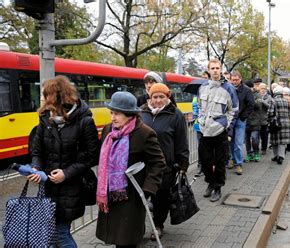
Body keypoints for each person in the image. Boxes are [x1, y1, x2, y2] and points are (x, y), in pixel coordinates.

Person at [28, 75, 100, 248]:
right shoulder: (45, 118)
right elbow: (37, 150)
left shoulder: (84, 121)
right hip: (49, 186)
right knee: (52, 234)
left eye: (45, 95)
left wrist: (66, 174)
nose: (42, 99)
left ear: (57, 98)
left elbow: (91, 156)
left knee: (60, 233)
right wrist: (36, 167)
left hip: (71, 186)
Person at [95, 91, 167, 247]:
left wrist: (147, 190)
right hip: (111, 194)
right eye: (111, 113)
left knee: (127, 240)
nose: (112, 117)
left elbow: (158, 163)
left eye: (117, 114)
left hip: (132, 197)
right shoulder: (109, 130)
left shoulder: (144, 133)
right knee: (116, 237)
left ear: (129, 115)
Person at [140, 83, 189, 240]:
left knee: (161, 199)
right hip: (143, 165)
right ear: (150, 98)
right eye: (155, 97)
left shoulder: (176, 115)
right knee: (140, 198)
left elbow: (182, 141)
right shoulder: (142, 113)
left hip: (165, 166)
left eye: (162, 96)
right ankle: (137, 228)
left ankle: (158, 225)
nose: (158, 100)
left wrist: (183, 164)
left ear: (168, 97)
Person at [197, 58, 238, 202]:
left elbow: (234, 110)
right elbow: (200, 107)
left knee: (220, 161)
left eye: (217, 68)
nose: (215, 70)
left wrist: (227, 127)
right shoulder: (202, 87)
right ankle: (210, 183)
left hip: (220, 130)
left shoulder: (229, 88)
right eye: (212, 68)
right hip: (205, 130)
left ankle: (218, 187)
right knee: (205, 159)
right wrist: (201, 121)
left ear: (220, 69)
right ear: (208, 70)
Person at [228, 71, 254, 175]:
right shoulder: (228, 88)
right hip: (230, 119)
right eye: (232, 80)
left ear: (240, 79)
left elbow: (251, 104)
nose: (234, 82)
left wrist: (243, 117)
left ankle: (238, 163)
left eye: (236, 80)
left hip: (239, 119)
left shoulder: (246, 90)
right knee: (230, 141)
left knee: (238, 142)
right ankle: (232, 159)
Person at [268, 86, 290, 164]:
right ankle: (281, 156)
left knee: (275, 140)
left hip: (276, 124)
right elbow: (289, 112)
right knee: (282, 141)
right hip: (285, 123)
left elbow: (270, 112)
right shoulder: (286, 101)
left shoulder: (273, 101)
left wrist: (269, 120)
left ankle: (275, 155)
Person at [244, 80, 263, 162]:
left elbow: (259, 105)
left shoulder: (257, 95)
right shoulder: (243, 94)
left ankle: (256, 152)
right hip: (245, 120)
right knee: (246, 139)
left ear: (252, 88)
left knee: (255, 138)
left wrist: (250, 99)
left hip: (255, 120)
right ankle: (249, 154)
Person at [258, 83, 272, 155]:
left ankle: (264, 148)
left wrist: (262, 101)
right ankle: (256, 149)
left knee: (264, 135)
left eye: (264, 88)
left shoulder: (269, 97)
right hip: (256, 119)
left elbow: (269, 106)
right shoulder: (256, 96)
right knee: (256, 136)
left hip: (264, 119)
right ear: (258, 89)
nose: (263, 90)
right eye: (261, 88)